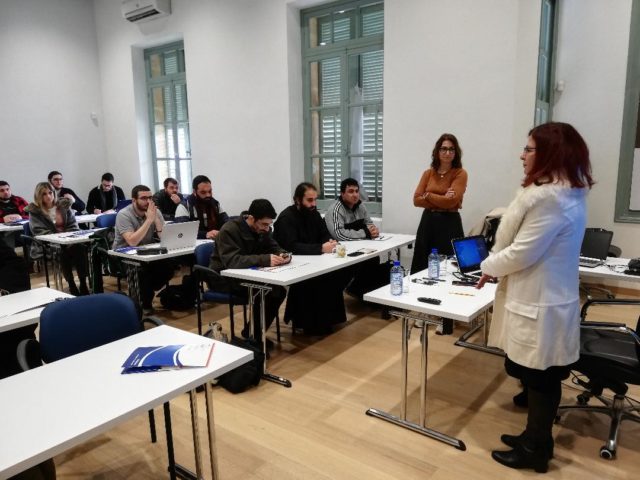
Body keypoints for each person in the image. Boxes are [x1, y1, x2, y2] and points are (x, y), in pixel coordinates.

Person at [476, 122, 593, 473]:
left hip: (542, 303)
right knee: (540, 377)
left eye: (529, 149)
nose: (522, 155)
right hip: (547, 298)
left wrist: (487, 265)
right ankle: (535, 437)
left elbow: (522, 252)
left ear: (550, 153)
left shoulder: (551, 200)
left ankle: (536, 450)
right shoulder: (566, 192)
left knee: (542, 379)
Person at [209, 199, 289, 344]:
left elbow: (273, 247)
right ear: (251, 218)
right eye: (264, 224)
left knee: (278, 290)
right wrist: (265, 259)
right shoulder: (229, 230)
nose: (267, 228)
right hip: (223, 278)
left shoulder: (262, 230)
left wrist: (283, 254)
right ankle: (254, 337)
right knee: (269, 291)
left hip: (247, 275)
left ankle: (252, 333)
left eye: (269, 224)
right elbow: (233, 261)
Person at [273, 182, 349, 335]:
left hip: (314, 260)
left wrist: (330, 242)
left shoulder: (313, 213)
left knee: (334, 274)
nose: (313, 204)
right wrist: (320, 248)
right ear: (297, 200)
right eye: (309, 200)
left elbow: (324, 233)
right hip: (292, 264)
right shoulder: (286, 218)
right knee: (317, 280)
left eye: (315, 200)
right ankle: (309, 323)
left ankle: (328, 320)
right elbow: (291, 246)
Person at [411, 133, 468, 274]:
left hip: (449, 223)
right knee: (422, 264)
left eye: (451, 149)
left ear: (456, 152)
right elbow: (416, 200)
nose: (447, 153)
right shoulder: (428, 173)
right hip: (428, 223)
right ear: (437, 151)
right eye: (444, 149)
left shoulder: (460, 173)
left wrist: (428, 195)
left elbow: (451, 202)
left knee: (448, 268)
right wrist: (442, 198)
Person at [325, 177, 389, 298]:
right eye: (350, 191)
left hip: (358, 245)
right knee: (359, 263)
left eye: (356, 191)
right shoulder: (336, 209)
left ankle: (367, 293)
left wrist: (373, 230)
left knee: (373, 257)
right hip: (340, 249)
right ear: (342, 194)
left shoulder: (361, 206)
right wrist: (365, 233)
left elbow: (369, 224)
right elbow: (339, 234)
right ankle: (355, 289)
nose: (355, 195)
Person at [113, 185, 174, 312]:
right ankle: (144, 303)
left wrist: (156, 220)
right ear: (134, 200)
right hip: (124, 256)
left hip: (146, 253)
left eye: (150, 198)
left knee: (170, 266)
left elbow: (164, 238)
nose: (148, 201)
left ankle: (146, 293)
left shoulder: (154, 211)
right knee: (142, 272)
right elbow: (132, 242)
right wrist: (149, 220)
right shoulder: (123, 214)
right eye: (144, 198)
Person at [27, 182, 89, 296]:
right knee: (61, 251)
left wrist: (68, 238)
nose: (48, 196)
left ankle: (83, 283)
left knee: (80, 248)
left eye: (50, 193)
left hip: (69, 240)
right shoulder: (35, 211)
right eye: (44, 194)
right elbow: (39, 231)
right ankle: (71, 284)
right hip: (48, 244)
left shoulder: (64, 205)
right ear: (38, 196)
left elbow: (73, 225)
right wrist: (59, 240)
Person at [183, 175, 228, 239]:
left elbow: (226, 222)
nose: (208, 195)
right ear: (194, 192)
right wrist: (205, 234)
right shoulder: (184, 206)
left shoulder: (215, 204)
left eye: (210, 191)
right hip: (194, 243)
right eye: (203, 192)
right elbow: (182, 231)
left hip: (215, 240)